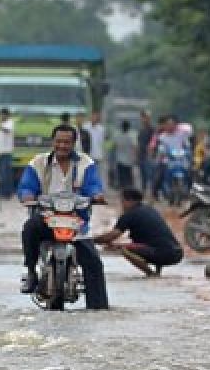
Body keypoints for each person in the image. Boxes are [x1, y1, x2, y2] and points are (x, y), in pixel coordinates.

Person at [16, 124, 109, 309]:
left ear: (74, 143)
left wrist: (96, 195)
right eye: (58, 141)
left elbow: (93, 185)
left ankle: (98, 308)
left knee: (94, 264)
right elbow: (26, 185)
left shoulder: (86, 163)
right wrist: (27, 195)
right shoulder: (38, 163)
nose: (62, 146)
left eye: (67, 142)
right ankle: (31, 272)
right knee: (29, 228)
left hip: (77, 223)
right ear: (53, 142)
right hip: (46, 219)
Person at [95, 188, 183, 276]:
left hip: (162, 253)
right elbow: (153, 240)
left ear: (129, 200)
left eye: (122, 201)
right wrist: (116, 245)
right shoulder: (150, 210)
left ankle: (150, 273)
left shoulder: (129, 215)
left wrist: (90, 240)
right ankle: (157, 273)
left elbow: (111, 236)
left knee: (126, 249)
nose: (121, 205)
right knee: (154, 245)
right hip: (177, 253)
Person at [114, 119, 139, 189]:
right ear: (128, 127)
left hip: (120, 160)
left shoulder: (118, 136)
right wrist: (135, 157)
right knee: (128, 178)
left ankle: (123, 190)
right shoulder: (131, 137)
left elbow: (115, 146)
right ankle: (128, 190)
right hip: (128, 161)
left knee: (121, 178)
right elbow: (135, 147)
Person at [83, 110, 106, 185]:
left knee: (98, 173)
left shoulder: (101, 129)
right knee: (87, 172)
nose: (94, 118)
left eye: (96, 116)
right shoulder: (85, 127)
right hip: (87, 154)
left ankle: (98, 188)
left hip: (98, 154)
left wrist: (103, 154)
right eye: (93, 116)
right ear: (90, 116)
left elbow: (102, 142)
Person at [0, 108, 16, 199]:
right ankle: (4, 192)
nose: (1, 116)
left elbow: (7, 130)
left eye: (2, 114)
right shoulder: (2, 123)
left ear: (6, 115)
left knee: (6, 174)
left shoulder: (10, 123)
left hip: (7, 152)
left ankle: (7, 192)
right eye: (0, 114)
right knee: (2, 174)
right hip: (1, 153)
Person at [137, 110, 155, 194]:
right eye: (143, 117)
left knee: (150, 176)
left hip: (149, 156)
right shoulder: (141, 130)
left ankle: (152, 193)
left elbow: (154, 143)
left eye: (146, 118)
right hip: (141, 155)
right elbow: (139, 143)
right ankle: (143, 192)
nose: (145, 119)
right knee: (143, 176)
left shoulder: (152, 130)